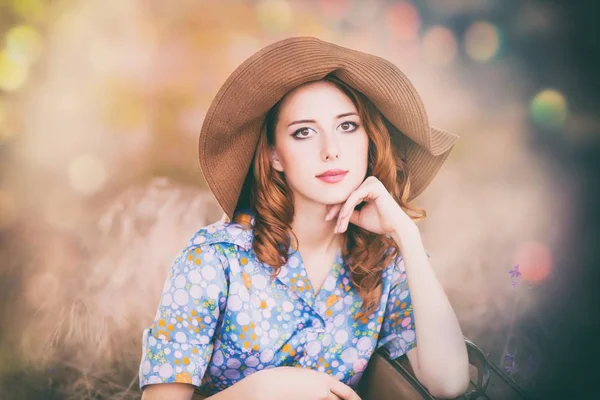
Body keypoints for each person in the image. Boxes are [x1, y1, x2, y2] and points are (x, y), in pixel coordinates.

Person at [139, 36, 469, 400]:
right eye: (304, 132)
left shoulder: (386, 262)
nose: (331, 151)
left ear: (368, 140)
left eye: (347, 126)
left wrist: (406, 234)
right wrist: (268, 389)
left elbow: (449, 383)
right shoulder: (215, 258)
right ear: (275, 156)